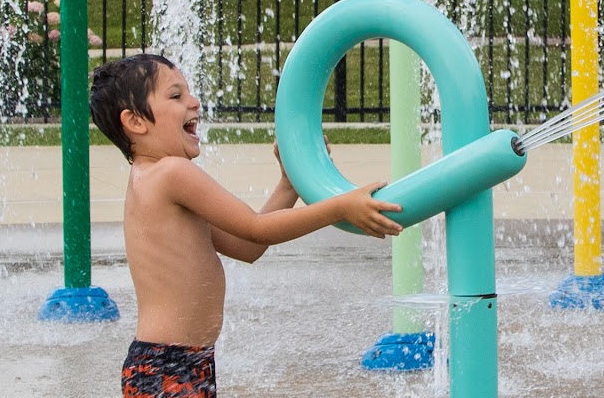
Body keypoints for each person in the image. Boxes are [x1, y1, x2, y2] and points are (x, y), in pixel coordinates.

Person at [89, 53, 404, 398]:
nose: (194, 102)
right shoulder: (171, 173)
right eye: (176, 96)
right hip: (168, 364)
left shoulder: (153, 180)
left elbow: (247, 246)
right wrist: (342, 207)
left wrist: (288, 185)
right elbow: (256, 228)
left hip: (177, 362)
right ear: (135, 121)